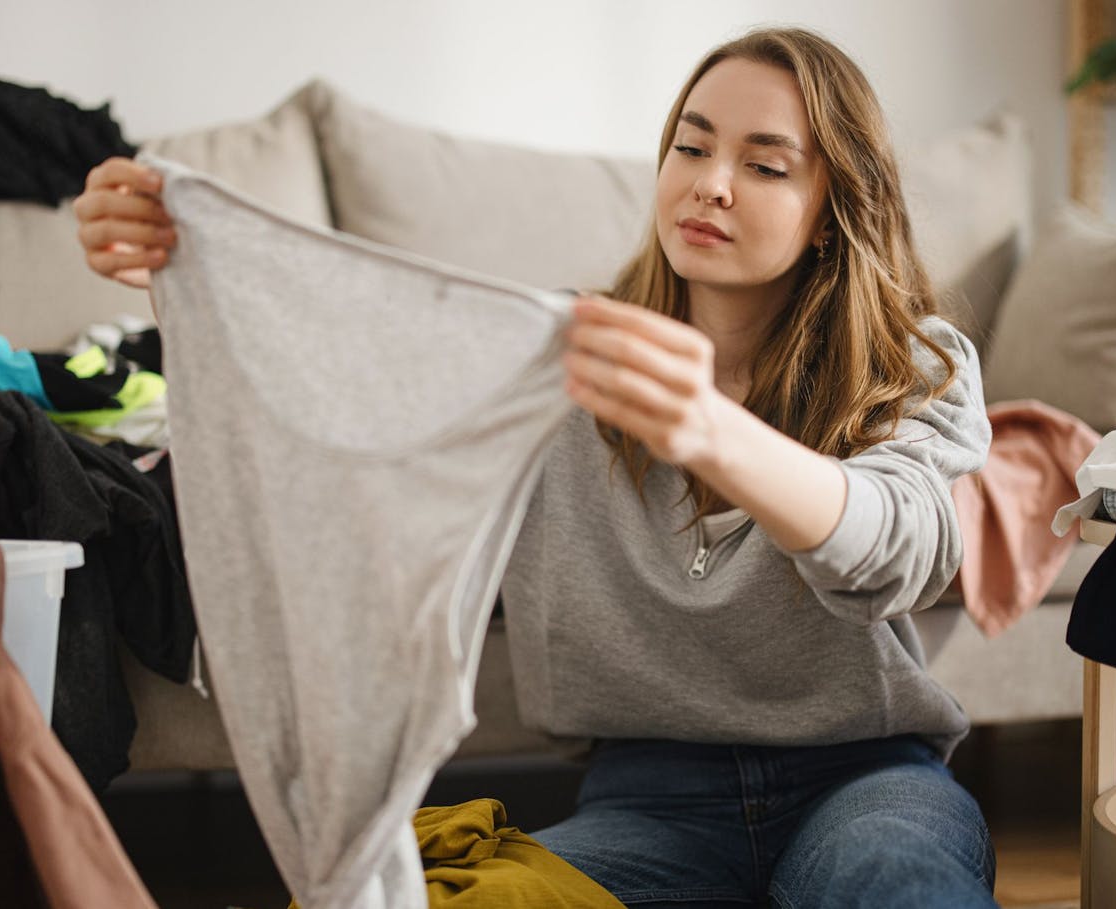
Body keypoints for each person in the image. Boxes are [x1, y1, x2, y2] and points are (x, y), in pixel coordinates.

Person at [76, 26, 997, 909]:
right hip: (648, 801)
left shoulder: (912, 363)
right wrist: (186, 257)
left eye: (763, 165)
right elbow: (346, 366)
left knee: (898, 887)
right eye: (691, 146)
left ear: (835, 213)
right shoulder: (557, 353)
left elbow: (901, 550)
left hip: (867, 778)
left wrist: (713, 429)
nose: (710, 185)